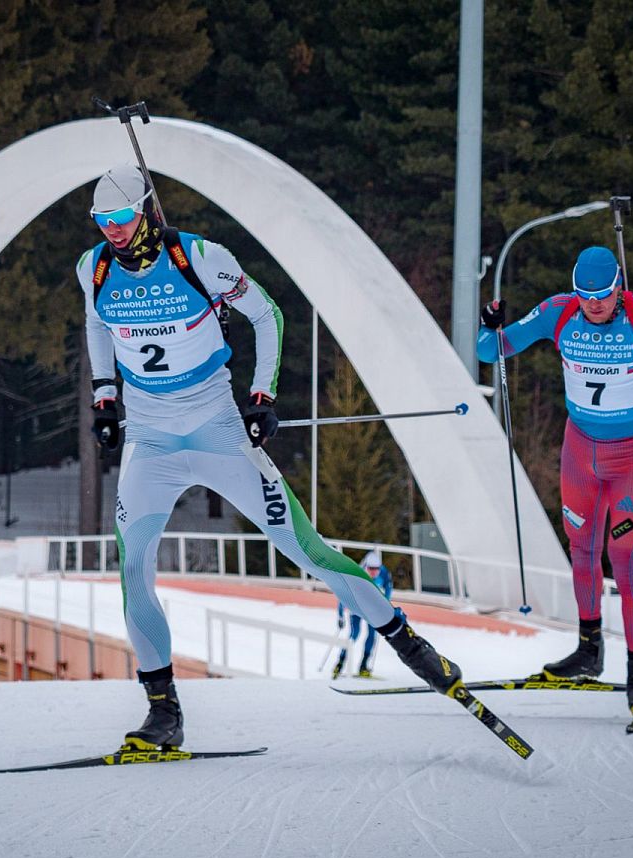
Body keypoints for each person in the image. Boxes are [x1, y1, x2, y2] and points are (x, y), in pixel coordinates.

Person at [79, 164, 465, 749]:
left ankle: (409, 644)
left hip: (218, 432)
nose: (110, 229)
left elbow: (268, 315)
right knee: (133, 573)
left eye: (121, 217)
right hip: (150, 443)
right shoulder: (95, 267)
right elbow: (97, 324)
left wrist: (263, 396)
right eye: (101, 220)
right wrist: (104, 397)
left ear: (146, 211)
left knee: (305, 551)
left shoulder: (202, 257)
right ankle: (163, 712)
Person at [477, 245, 633, 721]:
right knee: (581, 551)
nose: (593, 304)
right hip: (579, 454)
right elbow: (489, 352)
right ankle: (588, 651)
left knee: (624, 560)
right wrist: (489, 325)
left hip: (630, 459)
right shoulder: (559, 312)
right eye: (585, 295)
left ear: (619, 288)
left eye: (602, 295)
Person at [333, 550, 391, 679]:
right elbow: (343, 595)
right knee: (355, 634)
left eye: (377, 569)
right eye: (371, 569)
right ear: (366, 567)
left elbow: (388, 587)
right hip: (357, 607)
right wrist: (341, 615)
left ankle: (364, 666)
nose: (374, 572)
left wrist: (386, 603)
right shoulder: (357, 574)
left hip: (371, 608)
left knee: (372, 635)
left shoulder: (383, 572)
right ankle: (340, 663)